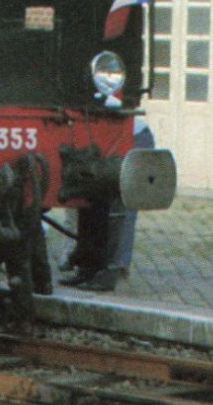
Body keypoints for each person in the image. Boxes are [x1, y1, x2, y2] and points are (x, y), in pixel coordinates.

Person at [61, 117, 151, 292]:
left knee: (122, 206)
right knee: (92, 201)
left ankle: (114, 269)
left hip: (129, 136)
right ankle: (88, 269)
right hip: (101, 134)